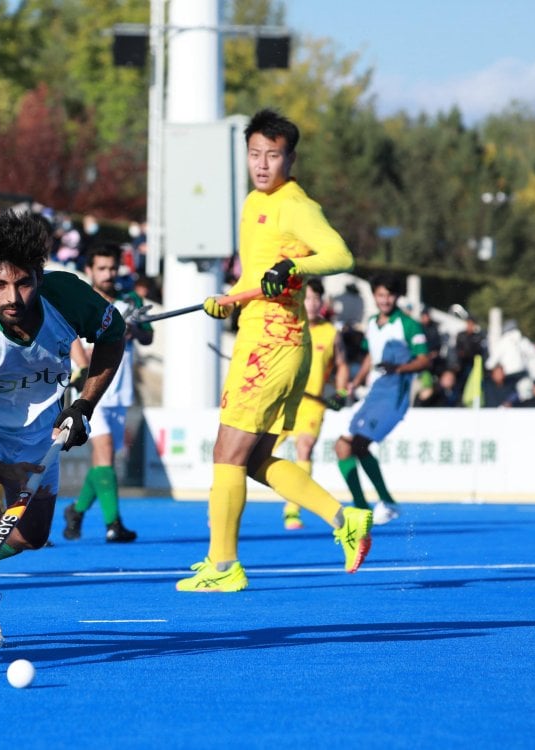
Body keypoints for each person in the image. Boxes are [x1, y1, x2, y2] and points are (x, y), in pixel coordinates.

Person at [176, 108, 372, 593]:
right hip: (258, 333)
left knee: (227, 452)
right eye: (255, 154)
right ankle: (346, 520)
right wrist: (230, 299)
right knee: (256, 458)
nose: (262, 164)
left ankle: (223, 566)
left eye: (273, 155)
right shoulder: (251, 203)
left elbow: (341, 254)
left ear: (291, 158)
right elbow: (253, 277)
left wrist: (294, 267)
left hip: (276, 341)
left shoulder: (295, 204)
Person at [0, 211, 126, 648]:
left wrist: (84, 404)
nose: (13, 297)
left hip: (39, 435)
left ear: (41, 273)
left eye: (24, 282)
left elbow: (114, 336)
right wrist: (0, 469)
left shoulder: (66, 296)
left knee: (32, 538)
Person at [62, 243, 151, 543]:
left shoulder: (130, 300)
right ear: (89, 270)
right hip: (92, 388)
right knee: (104, 452)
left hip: (120, 390)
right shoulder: (80, 301)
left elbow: (148, 335)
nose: (108, 274)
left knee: (106, 460)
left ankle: (76, 510)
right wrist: (83, 369)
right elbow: (70, 336)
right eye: (101, 268)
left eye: (112, 268)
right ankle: (114, 524)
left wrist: (134, 328)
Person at [334, 274, 430, 527]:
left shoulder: (408, 325)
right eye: (380, 295)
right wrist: (357, 380)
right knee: (343, 448)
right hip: (374, 393)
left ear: (396, 297)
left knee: (359, 444)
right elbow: (370, 357)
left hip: (394, 395)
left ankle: (386, 502)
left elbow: (424, 359)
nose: (385, 300)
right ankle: (363, 508)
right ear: (375, 297)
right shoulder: (373, 323)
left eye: (389, 295)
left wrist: (397, 369)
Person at [272, 278, 349, 531]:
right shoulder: (289, 325)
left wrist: (340, 390)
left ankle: (292, 510)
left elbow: (341, 365)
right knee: (251, 452)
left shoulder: (331, 333)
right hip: (282, 401)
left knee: (304, 448)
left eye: (317, 299)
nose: (312, 304)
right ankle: (220, 504)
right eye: (308, 298)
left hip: (312, 405)